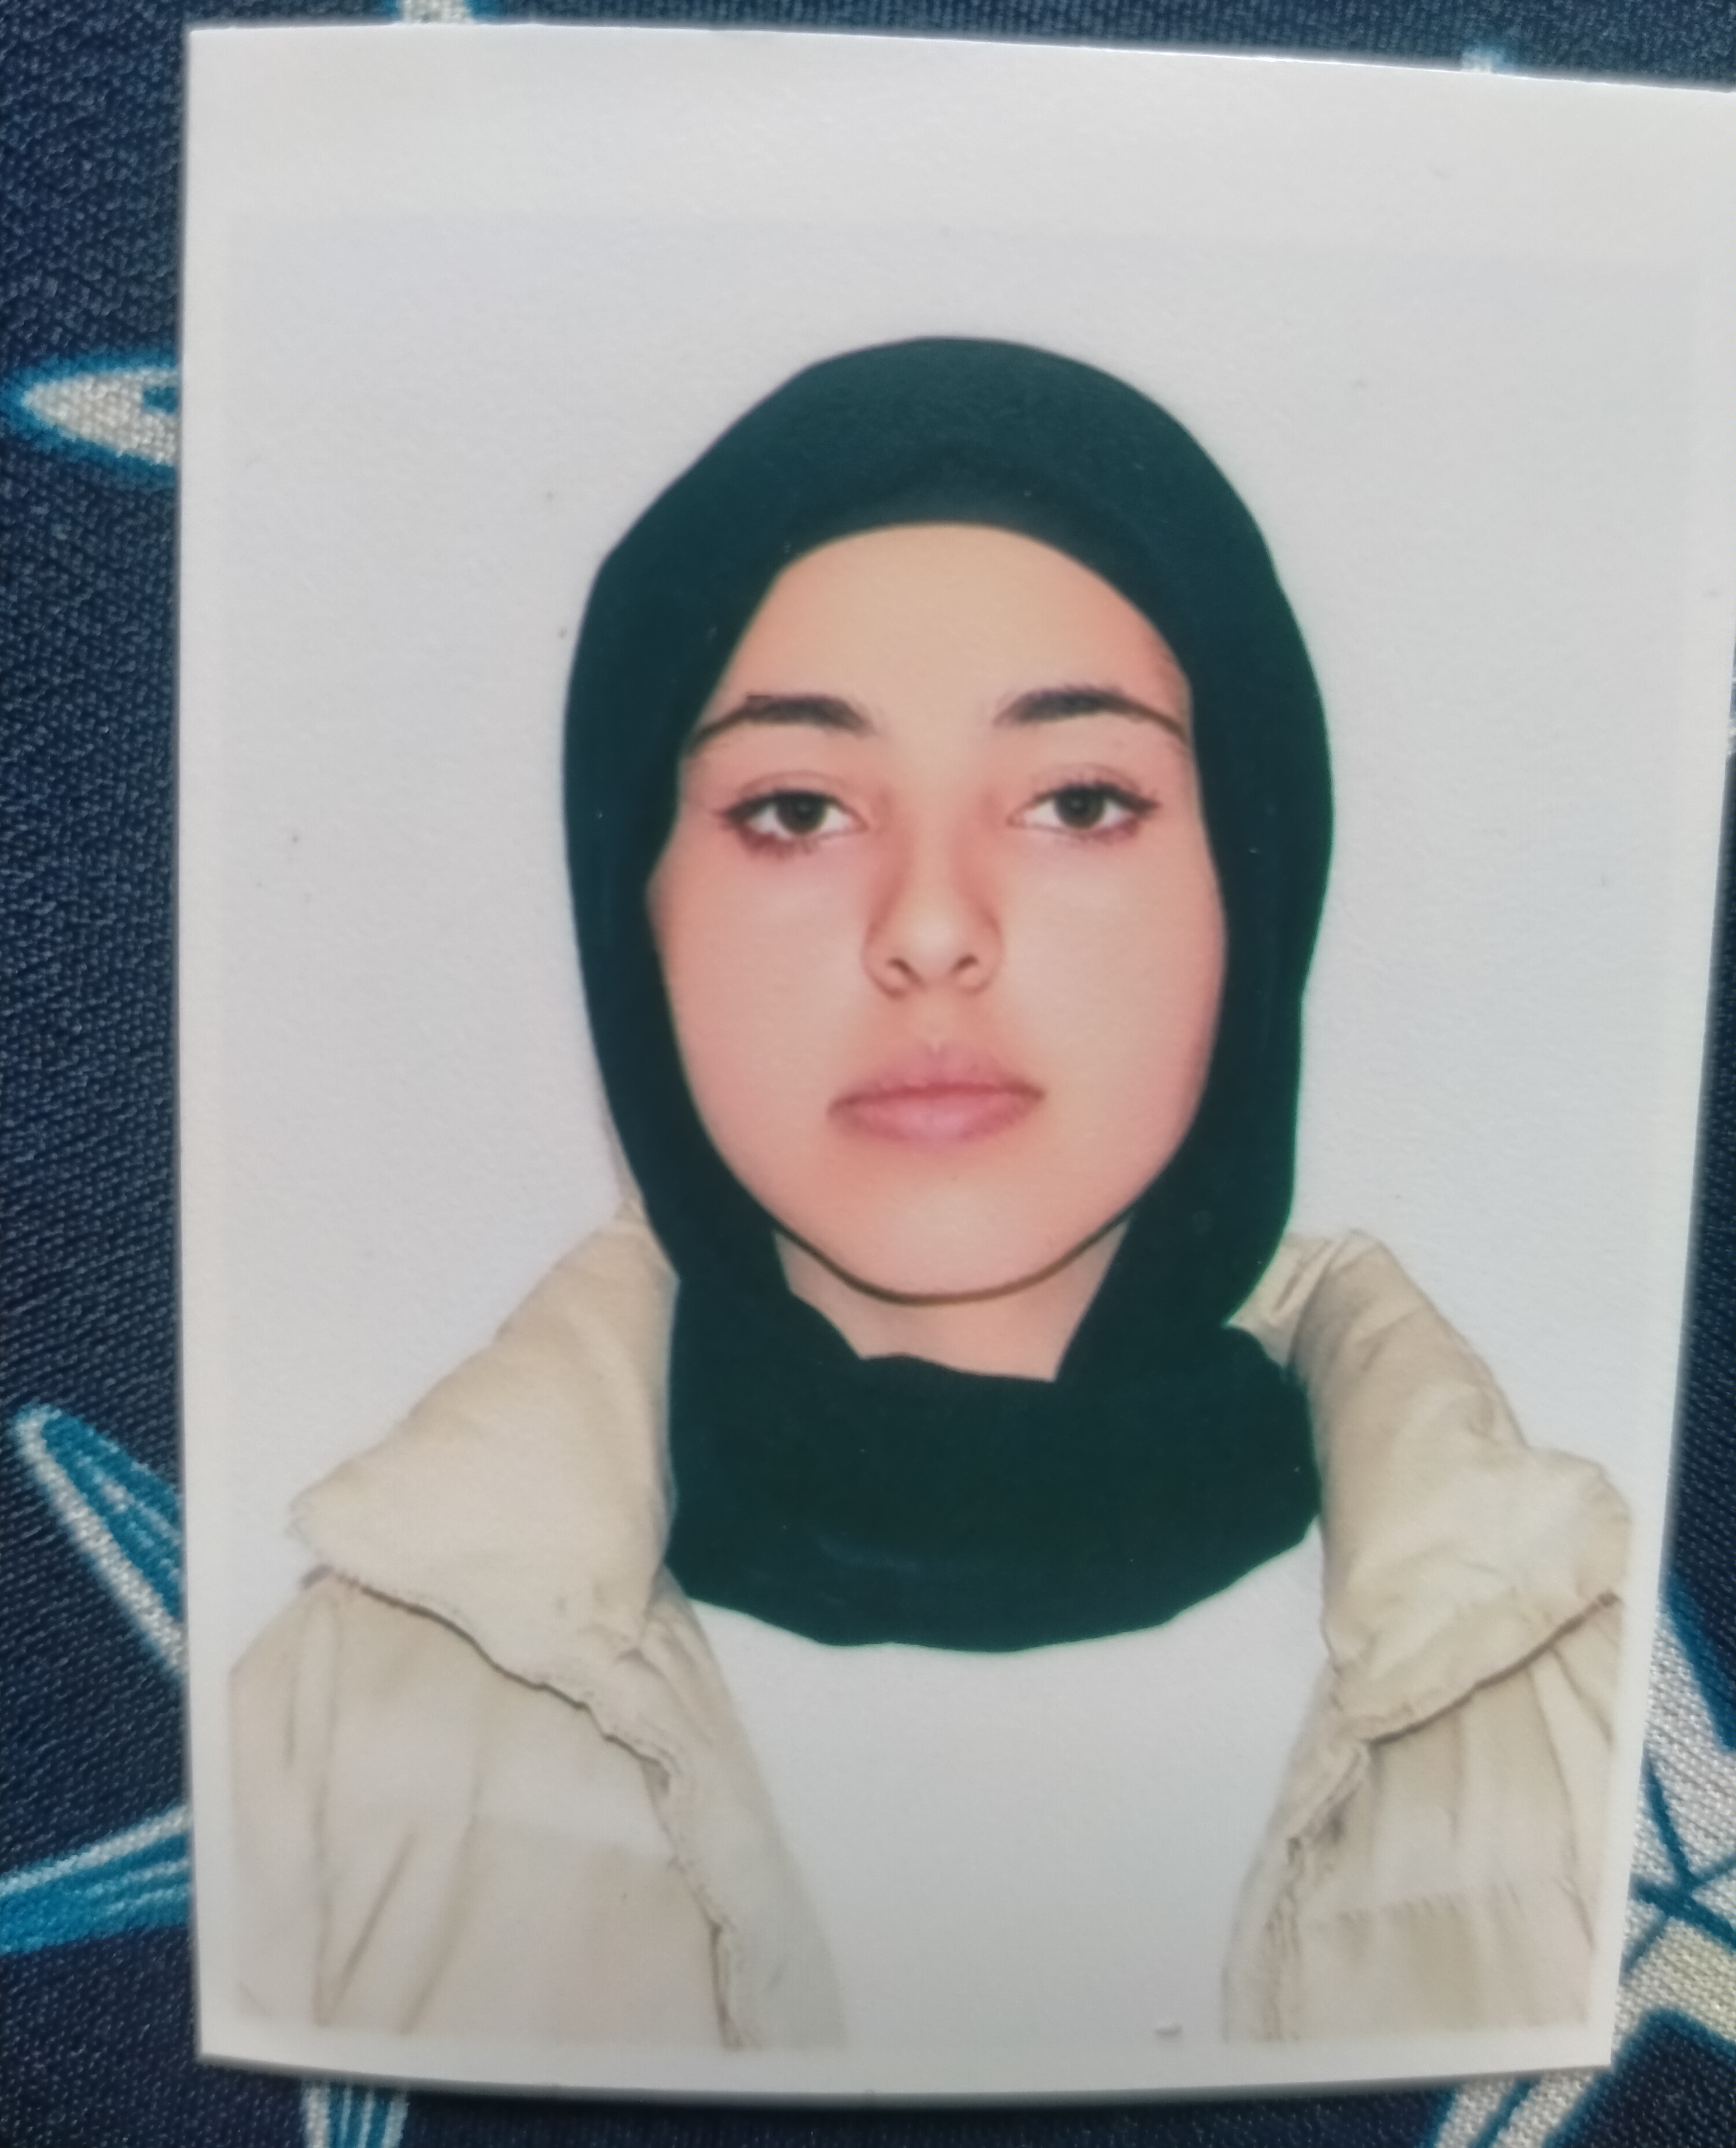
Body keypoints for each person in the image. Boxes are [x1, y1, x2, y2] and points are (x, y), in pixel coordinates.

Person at [231, 340, 1628, 2052]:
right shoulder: (326, 1738)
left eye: (1079, 801)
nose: (933, 926)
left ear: (1252, 888)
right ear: (634, 908)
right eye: (798, 809)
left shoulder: (1609, 1709)